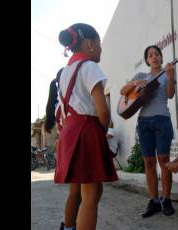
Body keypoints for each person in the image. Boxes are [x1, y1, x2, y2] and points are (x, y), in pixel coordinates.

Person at [55, 23, 118, 230]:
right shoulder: (89, 66)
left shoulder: (65, 72)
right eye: (99, 44)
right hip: (86, 130)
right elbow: (103, 111)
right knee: (91, 195)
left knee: (78, 190)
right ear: (90, 44)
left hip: (70, 131)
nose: (101, 49)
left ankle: (69, 226)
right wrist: (103, 128)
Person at [120, 45, 175, 218]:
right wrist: (135, 83)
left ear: (161, 57)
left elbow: (170, 95)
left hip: (162, 119)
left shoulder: (167, 74)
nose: (154, 57)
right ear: (146, 60)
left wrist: (171, 75)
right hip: (144, 122)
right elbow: (123, 92)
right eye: (150, 55)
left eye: (157, 54)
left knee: (164, 161)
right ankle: (154, 201)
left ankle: (166, 199)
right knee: (149, 163)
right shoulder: (140, 76)